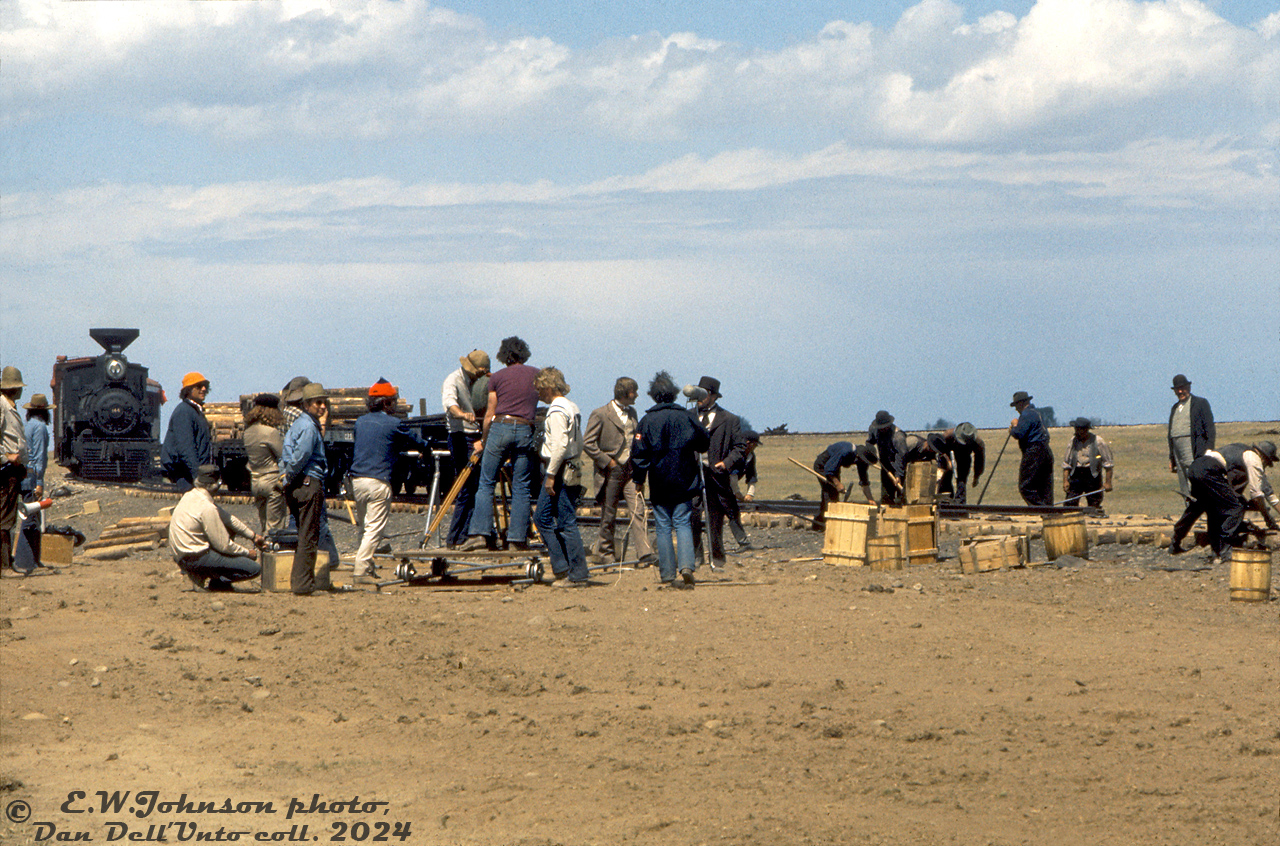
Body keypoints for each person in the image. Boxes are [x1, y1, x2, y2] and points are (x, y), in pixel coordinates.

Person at [630, 372, 710, 589]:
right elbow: (704, 443)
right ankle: (686, 567)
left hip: (659, 479)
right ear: (674, 394)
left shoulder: (647, 421)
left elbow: (638, 453)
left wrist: (638, 478)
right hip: (684, 477)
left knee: (663, 525)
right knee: (683, 521)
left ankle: (667, 572)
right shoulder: (686, 416)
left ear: (653, 396)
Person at [350, 379, 432, 583]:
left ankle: (367, 567)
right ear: (386, 403)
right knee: (374, 529)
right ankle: (360, 570)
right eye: (393, 401)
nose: (395, 405)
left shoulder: (360, 422)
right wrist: (426, 450)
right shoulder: (394, 424)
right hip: (378, 481)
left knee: (364, 526)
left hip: (357, 480)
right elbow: (417, 441)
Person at [462, 337, 538, 551]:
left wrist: (485, 440)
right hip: (525, 428)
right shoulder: (536, 374)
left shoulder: (497, 377)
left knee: (486, 483)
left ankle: (480, 534)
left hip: (500, 427)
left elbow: (489, 413)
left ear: (504, 356)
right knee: (521, 486)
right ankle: (517, 539)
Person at [583, 377, 653, 566]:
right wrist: (608, 462)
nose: (637, 395)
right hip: (611, 471)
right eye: (634, 392)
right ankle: (606, 554)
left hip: (631, 470)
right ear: (625, 393)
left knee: (638, 510)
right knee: (609, 514)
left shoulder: (633, 413)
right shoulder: (600, 413)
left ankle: (644, 553)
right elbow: (588, 443)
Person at [1170, 442, 1279, 560]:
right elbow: (1256, 495)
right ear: (1264, 457)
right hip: (1209, 471)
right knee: (1236, 508)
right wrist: (1267, 517)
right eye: (1268, 463)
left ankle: (1176, 542)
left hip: (1196, 467)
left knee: (1203, 507)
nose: (1266, 466)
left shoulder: (1240, 450)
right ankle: (1225, 549)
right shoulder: (1254, 459)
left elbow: (1266, 492)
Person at [533, 367, 591, 585]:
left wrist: (550, 475)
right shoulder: (571, 407)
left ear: (548, 387)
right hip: (571, 467)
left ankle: (574, 572)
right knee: (558, 518)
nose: (538, 394)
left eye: (539, 389)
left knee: (555, 519)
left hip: (558, 469)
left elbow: (559, 446)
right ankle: (563, 567)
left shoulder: (556, 411)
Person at [169, 464, 264, 592]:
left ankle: (204, 573)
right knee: (254, 569)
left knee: (227, 528)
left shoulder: (191, 496)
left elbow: (229, 519)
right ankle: (215, 580)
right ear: (216, 485)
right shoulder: (207, 508)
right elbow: (224, 545)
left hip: (181, 555)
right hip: (196, 556)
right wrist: (247, 553)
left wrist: (253, 536)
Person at [281, 382, 329, 595]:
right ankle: (303, 585)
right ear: (307, 404)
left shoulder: (298, 425)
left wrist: (287, 479)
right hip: (309, 482)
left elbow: (288, 452)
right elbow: (301, 455)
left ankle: (299, 581)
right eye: (318, 403)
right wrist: (292, 474)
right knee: (309, 535)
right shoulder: (310, 427)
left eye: (323, 402)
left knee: (303, 534)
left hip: (297, 485)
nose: (322, 407)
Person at [693, 376, 745, 568]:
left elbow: (739, 447)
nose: (699, 398)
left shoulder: (730, 419)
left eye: (703, 394)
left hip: (716, 476)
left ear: (713, 396)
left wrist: (726, 462)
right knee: (693, 515)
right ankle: (696, 557)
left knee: (715, 518)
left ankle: (717, 557)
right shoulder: (689, 416)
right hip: (694, 475)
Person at [441, 350, 490, 548]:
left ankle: (468, 533)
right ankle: (456, 537)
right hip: (461, 436)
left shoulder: (478, 381)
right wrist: (462, 414)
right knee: (466, 487)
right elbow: (449, 403)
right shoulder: (453, 380)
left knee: (475, 487)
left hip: (475, 433)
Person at [160, 372, 212, 492]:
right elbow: (186, 447)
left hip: (191, 474)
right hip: (186, 476)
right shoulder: (184, 412)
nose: (203, 389)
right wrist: (197, 476)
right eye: (199, 386)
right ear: (188, 390)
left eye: (205, 386)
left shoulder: (195, 411)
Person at [243, 394, 287, 535]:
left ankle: (262, 554)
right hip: (272, 480)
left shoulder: (247, 432)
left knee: (263, 525)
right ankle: (273, 554)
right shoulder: (271, 432)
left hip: (255, 480)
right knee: (275, 527)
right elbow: (283, 456)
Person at [20, 393, 53, 568]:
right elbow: (39, 457)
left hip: (24, 473)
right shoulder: (40, 428)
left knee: (30, 515)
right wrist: (39, 482)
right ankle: (28, 560)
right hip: (33, 475)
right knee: (31, 517)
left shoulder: (27, 426)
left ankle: (31, 559)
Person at [1167, 374, 1215, 498]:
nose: (1180, 391)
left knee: (1193, 476)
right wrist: (1171, 457)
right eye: (1177, 389)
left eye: (1182, 388)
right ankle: (1188, 510)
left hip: (1192, 446)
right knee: (1182, 478)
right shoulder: (1175, 408)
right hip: (1177, 449)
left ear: (1189, 387)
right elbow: (1171, 433)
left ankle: (1197, 507)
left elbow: (1209, 427)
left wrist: (1209, 448)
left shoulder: (1200, 403)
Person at [0, 366, 28, 573]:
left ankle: (6, 561)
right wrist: (5, 456)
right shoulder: (2, 406)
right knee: (5, 519)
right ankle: (4, 564)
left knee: (7, 517)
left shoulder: (9, 405)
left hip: (13, 470)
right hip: (7, 469)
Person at [812, 441, 879, 526]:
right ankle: (826, 525)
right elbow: (828, 469)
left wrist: (870, 499)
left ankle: (819, 523)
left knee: (833, 495)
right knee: (830, 494)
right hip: (823, 466)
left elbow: (864, 482)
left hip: (833, 468)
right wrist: (837, 484)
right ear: (858, 456)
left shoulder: (862, 461)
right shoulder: (845, 451)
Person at [1009, 391, 1054, 506]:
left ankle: (1039, 508)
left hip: (1033, 451)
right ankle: (1048, 509)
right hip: (1045, 450)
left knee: (1026, 486)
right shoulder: (1037, 413)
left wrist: (1014, 427)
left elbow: (1019, 433)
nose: (1016, 409)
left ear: (1021, 403)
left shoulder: (1026, 415)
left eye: (1016, 406)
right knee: (1044, 485)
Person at [1061, 418, 1114, 509]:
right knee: (1070, 503)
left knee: (1094, 502)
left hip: (1092, 475)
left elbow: (1108, 463)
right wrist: (1065, 480)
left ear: (1086, 430)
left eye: (1079, 430)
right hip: (1076, 474)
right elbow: (1067, 463)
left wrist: (1108, 482)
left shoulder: (1098, 441)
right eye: (1076, 429)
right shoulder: (1073, 441)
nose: (1077, 432)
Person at [726, 430, 760, 550]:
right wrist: (738, 494)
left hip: (730, 486)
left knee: (733, 513)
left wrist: (750, 494)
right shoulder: (734, 453)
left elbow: (751, 475)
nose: (755, 447)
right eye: (754, 444)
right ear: (747, 443)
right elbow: (732, 475)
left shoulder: (750, 456)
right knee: (730, 513)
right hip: (720, 485)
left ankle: (743, 542)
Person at [936, 423, 985, 504]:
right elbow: (939, 449)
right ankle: (946, 499)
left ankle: (960, 502)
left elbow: (979, 461)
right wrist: (948, 461)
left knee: (962, 478)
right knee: (945, 476)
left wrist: (976, 476)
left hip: (964, 454)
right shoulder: (948, 435)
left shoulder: (978, 443)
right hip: (946, 452)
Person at [866, 410, 907, 506]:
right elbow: (869, 442)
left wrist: (898, 475)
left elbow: (901, 456)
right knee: (886, 497)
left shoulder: (898, 436)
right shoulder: (874, 429)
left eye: (884, 428)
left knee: (902, 497)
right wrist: (871, 451)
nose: (882, 430)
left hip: (899, 466)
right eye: (880, 428)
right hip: (885, 466)